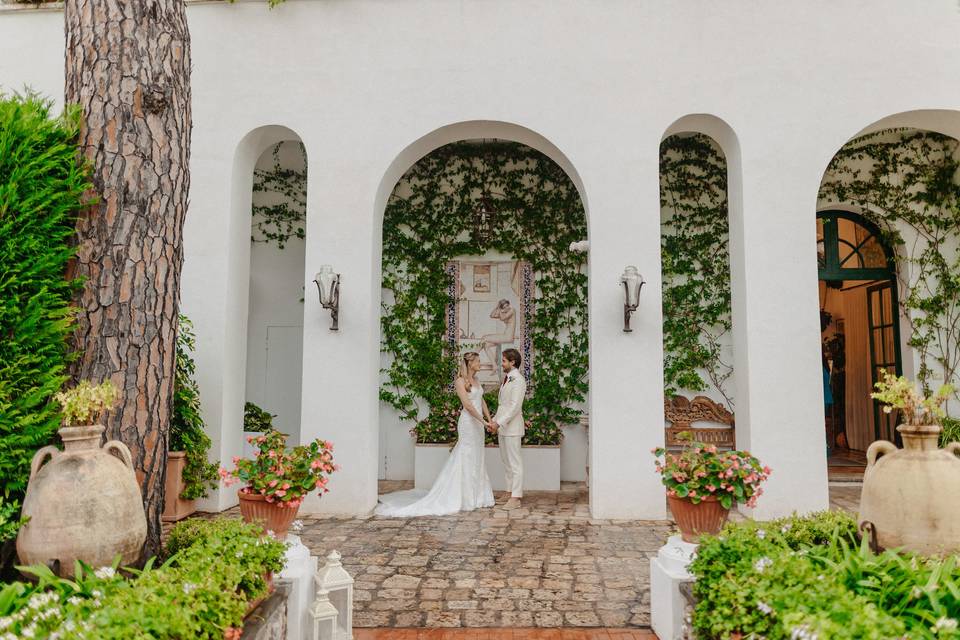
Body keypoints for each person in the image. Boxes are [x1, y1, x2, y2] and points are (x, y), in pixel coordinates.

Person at [375, 352, 495, 517]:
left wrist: (489, 420)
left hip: (479, 424)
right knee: (466, 455)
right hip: (468, 423)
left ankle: (478, 496)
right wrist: (483, 422)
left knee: (477, 457)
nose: (481, 363)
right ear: (470, 363)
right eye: (478, 361)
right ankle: (465, 497)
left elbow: (481, 401)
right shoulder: (460, 381)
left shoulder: (477, 381)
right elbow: (467, 405)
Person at [486, 348, 526, 511]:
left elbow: (515, 407)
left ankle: (516, 497)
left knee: (515, 463)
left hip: (513, 428)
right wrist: (494, 422)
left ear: (512, 362)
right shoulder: (507, 379)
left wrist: (498, 423)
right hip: (503, 427)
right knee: (506, 461)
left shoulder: (518, 380)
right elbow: (503, 406)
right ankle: (509, 491)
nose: (501, 364)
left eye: (503, 361)